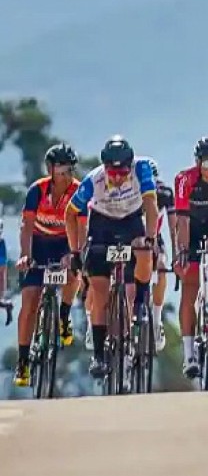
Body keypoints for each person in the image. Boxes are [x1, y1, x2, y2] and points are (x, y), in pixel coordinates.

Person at [66, 136, 159, 378]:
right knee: (100, 292)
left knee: (144, 252)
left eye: (122, 173)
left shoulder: (142, 169)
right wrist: (75, 250)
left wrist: (150, 237)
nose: (117, 178)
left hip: (131, 221)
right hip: (102, 225)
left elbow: (150, 204)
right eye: (112, 173)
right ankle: (98, 355)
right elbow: (70, 214)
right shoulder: (93, 180)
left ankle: (139, 300)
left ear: (131, 166)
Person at [12, 144, 85, 387]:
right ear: (50, 170)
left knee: (74, 270)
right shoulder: (37, 191)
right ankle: (23, 362)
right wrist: (26, 256)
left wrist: (74, 253)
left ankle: (63, 314)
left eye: (69, 171)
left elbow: (82, 226)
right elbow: (26, 227)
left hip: (66, 240)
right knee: (30, 300)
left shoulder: (78, 191)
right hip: (40, 242)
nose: (64, 176)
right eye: (60, 170)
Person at [173, 135, 208, 378]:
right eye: (207, 165)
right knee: (190, 286)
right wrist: (182, 251)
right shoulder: (185, 179)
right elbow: (182, 219)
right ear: (198, 163)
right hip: (192, 231)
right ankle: (189, 355)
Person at [142, 157, 175, 352]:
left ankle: (156, 318)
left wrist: (179, 252)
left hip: (155, 239)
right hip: (132, 237)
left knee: (162, 265)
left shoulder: (164, 193)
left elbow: (173, 226)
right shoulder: (130, 192)